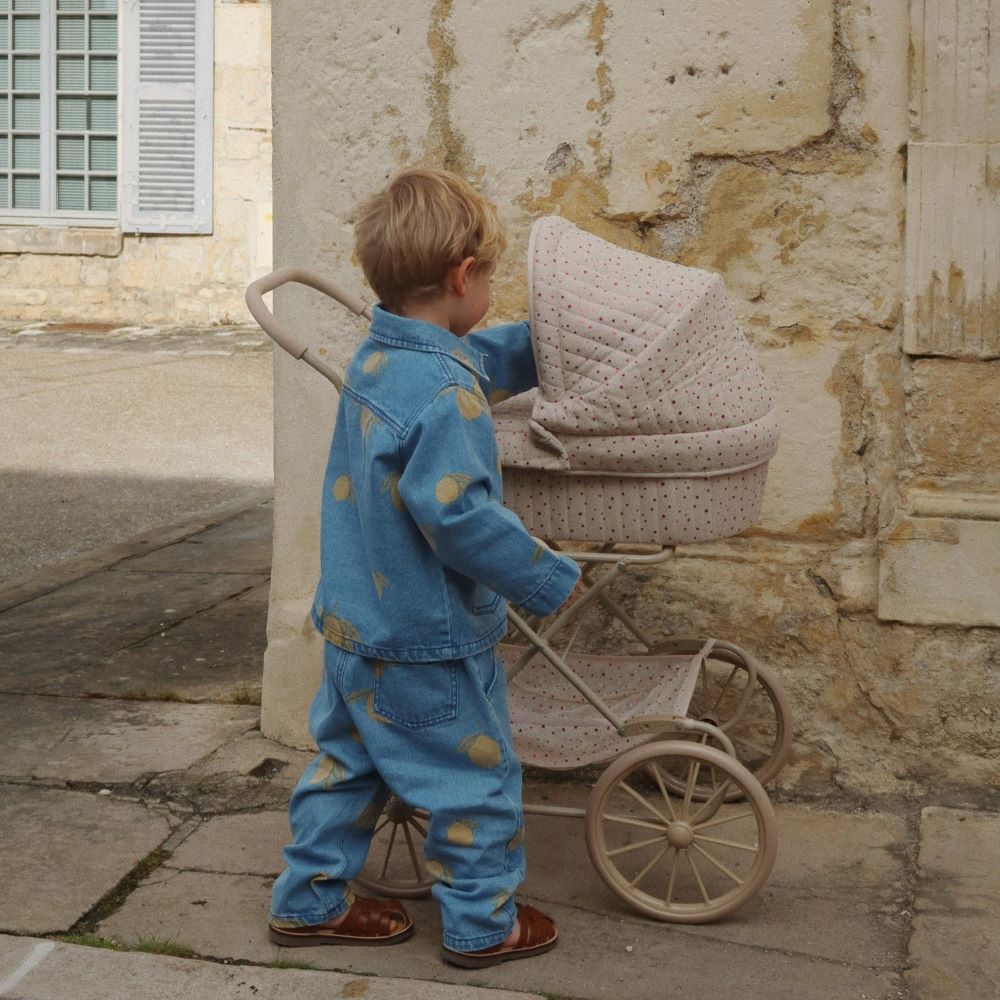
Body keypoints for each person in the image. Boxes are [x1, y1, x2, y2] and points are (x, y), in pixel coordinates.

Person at [268, 168, 581, 968]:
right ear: (462, 276)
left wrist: (541, 348)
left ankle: (308, 900)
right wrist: (544, 577)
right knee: (475, 779)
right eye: (491, 279)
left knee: (349, 765)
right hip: (424, 639)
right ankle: (483, 922)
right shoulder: (446, 396)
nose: (492, 294)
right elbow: (460, 517)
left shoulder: (381, 357)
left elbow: (466, 359)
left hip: (355, 626)